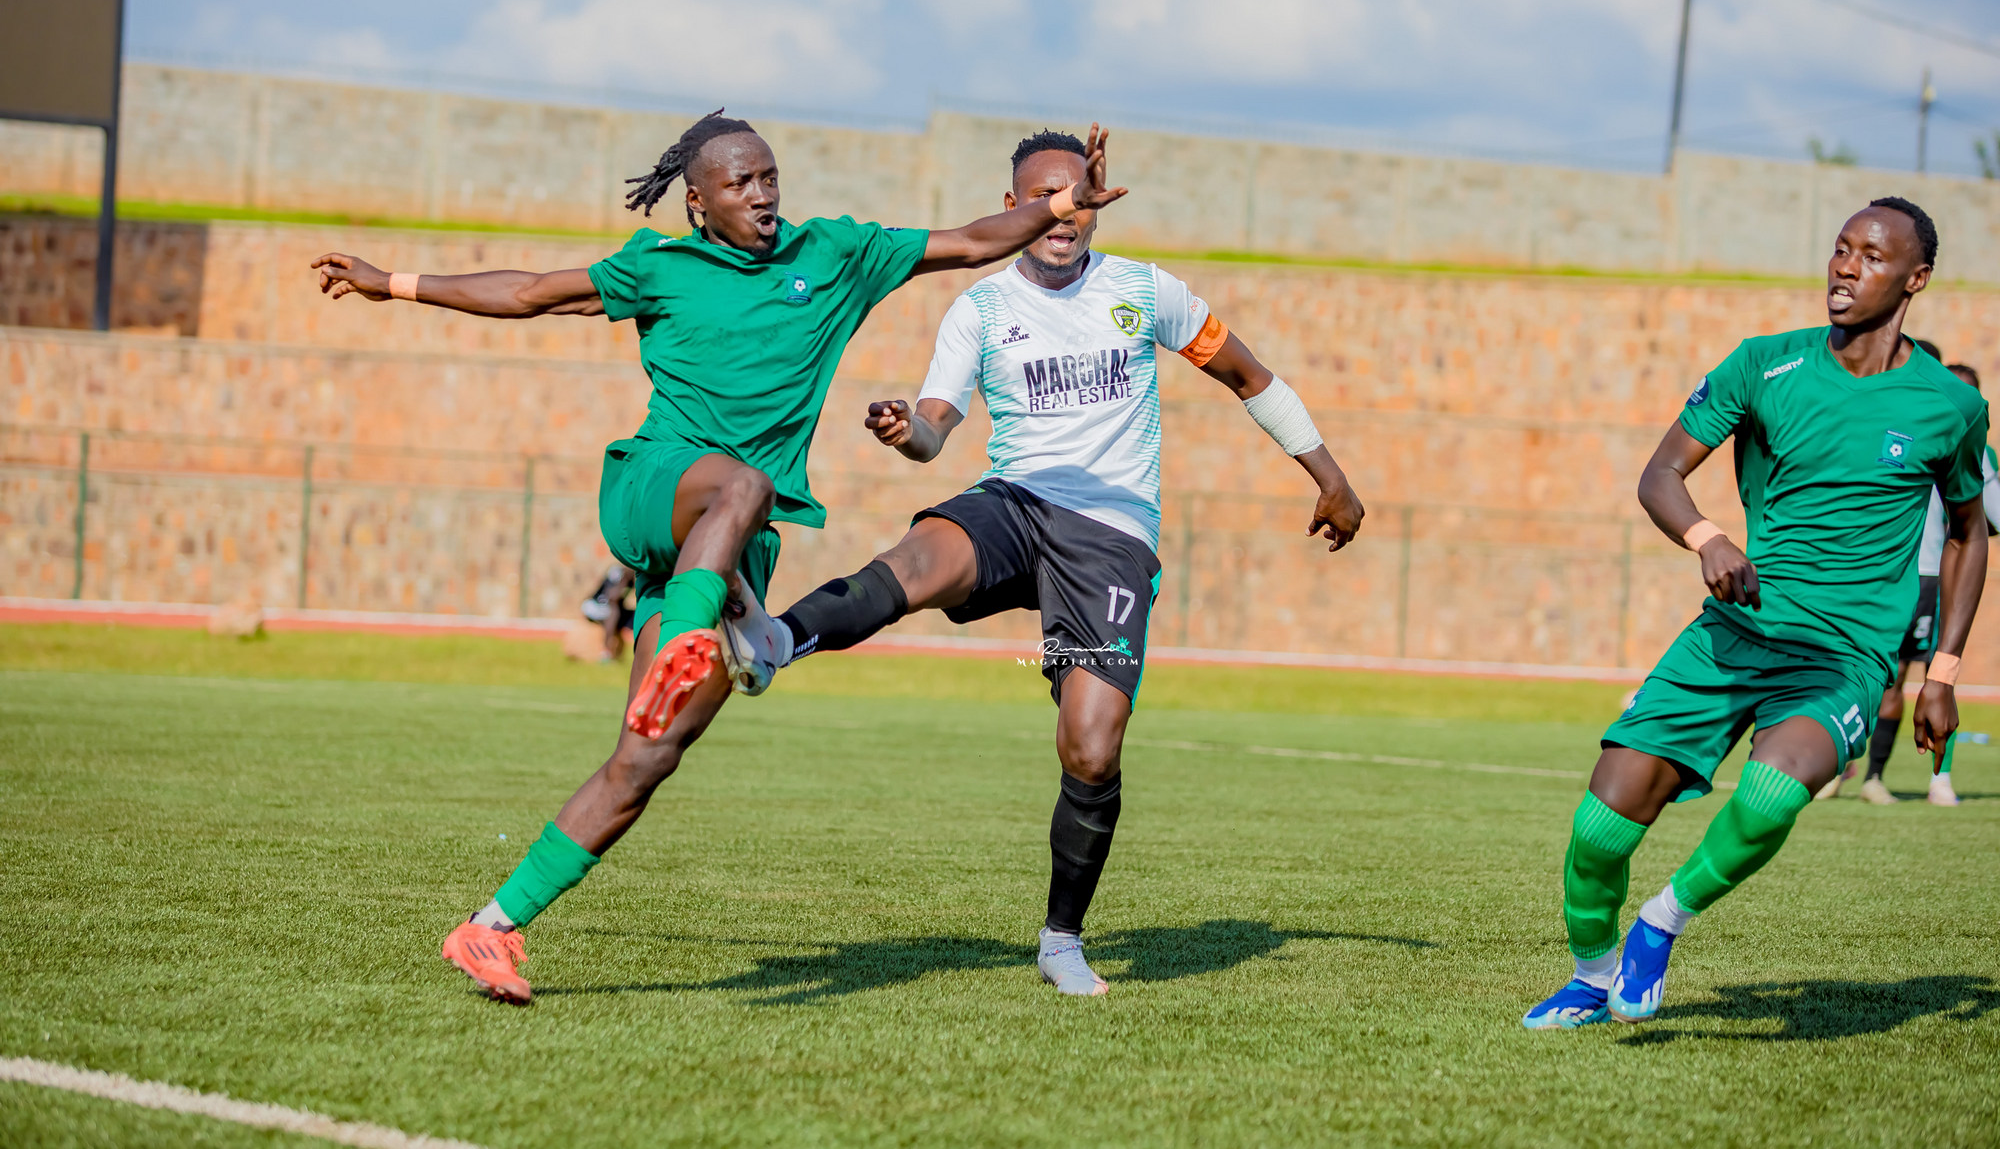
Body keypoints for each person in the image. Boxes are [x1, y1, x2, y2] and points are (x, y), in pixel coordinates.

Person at [310, 110, 1128, 1003]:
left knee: (645, 758)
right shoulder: (659, 267)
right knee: (742, 482)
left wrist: (1062, 205)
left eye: (770, 177)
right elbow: (532, 291)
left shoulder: (835, 254)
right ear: (698, 202)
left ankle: (490, 927)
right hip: (658, 486)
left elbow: (972, 241)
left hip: (731, 552)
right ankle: (698, 635)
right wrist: (392, 283)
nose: (763, 195)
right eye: (741, 183)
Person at [719, 129, 1366, 996]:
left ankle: (1061, 939)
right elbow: (934, 430)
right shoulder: (981, 309)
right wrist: (905, 430)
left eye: (1077, 198)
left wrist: (1331, 477)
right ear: (1016, 207)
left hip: (1110, 536)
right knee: (918, 561)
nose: (1062, 216)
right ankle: (775, 640)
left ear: (1094, 205)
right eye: (1042, 199)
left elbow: (1250, 376)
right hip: (1015, 504)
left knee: (1091, 750)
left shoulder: (1147, 292)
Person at [1522, 196, 1988, 1030]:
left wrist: (1942, 673)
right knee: (1598, 831)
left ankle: (1661, 923)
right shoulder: (1762, 364)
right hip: (1734, 632)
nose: (1845, 266)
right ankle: (1591, 977)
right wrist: (1707, 538)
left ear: (1916, 279)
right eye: (1840, 247)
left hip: (1843, 658)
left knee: (1773, 791)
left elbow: (1968, 532)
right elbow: (1660, 474)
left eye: (1871, 256)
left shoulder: (1949, 405)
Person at [1841, 359, 2000, 807]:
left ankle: (1939, 779)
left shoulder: (1977, 452)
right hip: (1889, 574)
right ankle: (1856, 769)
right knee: (1879, 676)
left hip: (1936, 576)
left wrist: (1970, 527)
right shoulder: (1903, 430)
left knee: (1941, 674)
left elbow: (1993, 517)